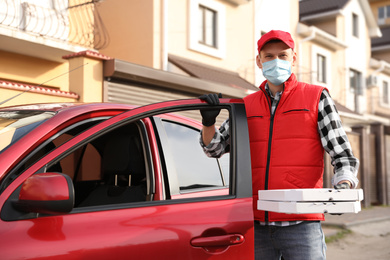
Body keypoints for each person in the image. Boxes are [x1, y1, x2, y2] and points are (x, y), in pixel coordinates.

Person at [199, 30, 359, 260]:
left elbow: (343, 155)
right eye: (269, 56)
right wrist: (208, 122)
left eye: (283, 56)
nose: (276, 62)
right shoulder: (246, 105)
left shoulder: (316, 97)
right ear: (259, 60)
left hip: (301, 224)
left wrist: (343, 185)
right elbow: (213, 148)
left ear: (293, 59)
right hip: (256, 224)